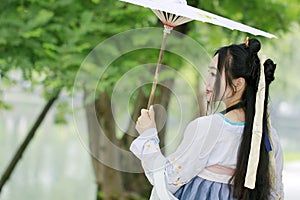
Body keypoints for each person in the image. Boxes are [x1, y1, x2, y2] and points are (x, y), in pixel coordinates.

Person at [130, 38, 284, 200]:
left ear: (238, 84)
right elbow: (275, 193)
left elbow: (168, 179)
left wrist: (148, 136)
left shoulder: (208, 127)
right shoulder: (269, 137)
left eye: (213, 74)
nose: (207, 81)